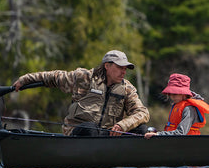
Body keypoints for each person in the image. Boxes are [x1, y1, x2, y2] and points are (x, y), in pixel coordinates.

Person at [13, 49, 150, 136]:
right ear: (107, 66)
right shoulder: (84, 78)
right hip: (79, 133)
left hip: (108, 137)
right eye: (120, 67)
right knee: (91, 128)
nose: (124, 72)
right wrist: (24, 80)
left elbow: (143, 113)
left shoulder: (127, 88)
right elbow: (52, 77)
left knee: (143, 130)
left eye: (125, 68)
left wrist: (123, 125)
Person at [144, 73, 209, 138]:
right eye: (170, 93)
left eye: (175, 94)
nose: (172, 97)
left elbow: (181, 133)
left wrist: (158, 134)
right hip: (175, 144)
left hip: (187, 145)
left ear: (184, 94)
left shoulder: (189, 108)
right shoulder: (177, 105)